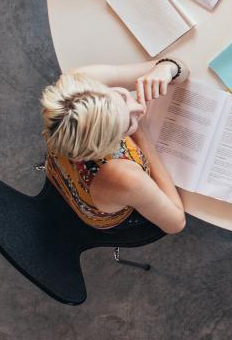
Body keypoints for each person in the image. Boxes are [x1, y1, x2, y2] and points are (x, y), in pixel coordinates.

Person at [40, 58, 188, 234]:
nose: (139, 109)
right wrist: (142, 135)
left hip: (61, 171)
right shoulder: (126, 177)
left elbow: (180, 67)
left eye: (122, 96)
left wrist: (166, 69)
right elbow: (176, 223)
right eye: (128, 125)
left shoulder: (78, 84)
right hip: (106, 213)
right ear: (108, 147)